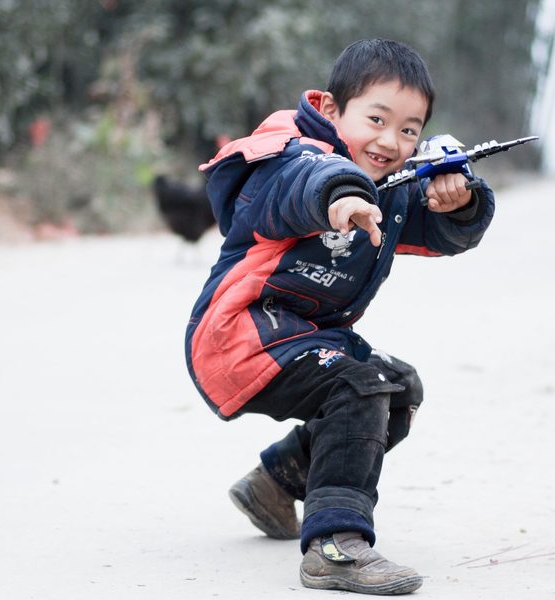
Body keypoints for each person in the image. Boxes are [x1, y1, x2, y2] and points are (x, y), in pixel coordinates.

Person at [185, 38, 495, 595]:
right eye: (376, 119)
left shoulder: (390, 187)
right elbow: (300, 185)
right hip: (240, 334)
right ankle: (335, 545)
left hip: (308, 337)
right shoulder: (286, 157)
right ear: (331, 109)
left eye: (409, 129)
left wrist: (460, 203)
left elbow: (440, 233)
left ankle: (276, 484)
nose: (390, 140)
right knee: (359, 385)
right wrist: (341, 196)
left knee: (397, 387)